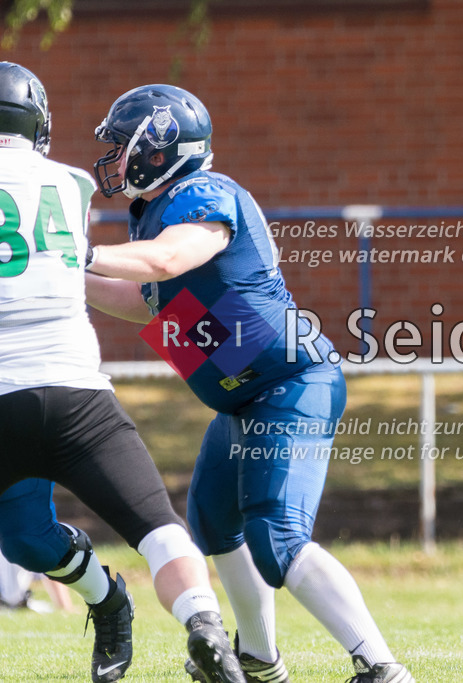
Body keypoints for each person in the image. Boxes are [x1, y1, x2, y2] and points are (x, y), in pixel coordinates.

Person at [83, 83, 412, 683]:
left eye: (123, 146)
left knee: (277, 537)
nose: (114, 158)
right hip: (243, 396)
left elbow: (163, 262)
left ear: (158, 151)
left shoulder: (204, 194)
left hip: (289, 382)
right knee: (211, 520)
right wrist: (61, 276)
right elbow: (147, 299)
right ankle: (259, 659)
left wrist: (72, 251)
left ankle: (382, 667)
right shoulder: (155, 212)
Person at [0, 62, 244, 682]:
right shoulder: (73, 183)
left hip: (29, 390)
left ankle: (168, 620)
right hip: (76, 389)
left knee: (29, 543)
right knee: (158, 528)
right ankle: (189, 619)